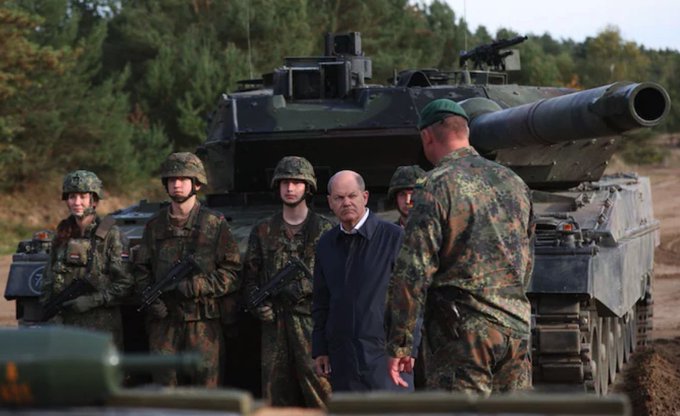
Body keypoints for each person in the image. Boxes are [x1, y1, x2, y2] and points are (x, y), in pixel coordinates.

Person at [386, 98, 534, 395]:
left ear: (427, 136)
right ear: (465, 132)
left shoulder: (434, 185)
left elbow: (413, 269)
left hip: (463, 336)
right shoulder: (514, 181)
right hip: (516, 327)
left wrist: (400, 343)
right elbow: (527, 257)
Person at [134, 152, 241, 387]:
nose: (177, 184)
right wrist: (153, 302)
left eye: (183, 179)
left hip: (203, 322)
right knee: (165, 392)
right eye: (172, 179)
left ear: (197, 184)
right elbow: (141, 270)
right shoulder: (154, 226)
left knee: (207, 394)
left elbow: (233, 273)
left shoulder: (214, 224)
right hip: (164, 322)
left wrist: (196, 285)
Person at [243, 156, 333, 408]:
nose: (290, 188)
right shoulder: (262, 231)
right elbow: (250, 277)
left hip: (312, 325)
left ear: (308, 187)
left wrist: (303, 288)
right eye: (284, 182)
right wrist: (256, 304)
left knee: (322, 394)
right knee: (275, 397)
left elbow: (338, 282)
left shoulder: (324, 230)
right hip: (275, 325)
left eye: (296, 182)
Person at [312, 170, 413, 392]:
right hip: (343, 360)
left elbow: (412, 299)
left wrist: (405, 349)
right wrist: (320, 349)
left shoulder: (395, 238)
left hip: (386, 359)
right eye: (339, 198)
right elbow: (321, 301)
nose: (346, 202)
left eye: (352, 196)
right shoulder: (326, 245)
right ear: (330, 202)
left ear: (365, 197)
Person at [40, 170, 133, 349]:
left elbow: (125, 284)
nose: (77, 202)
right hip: (64, 327)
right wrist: (51, 312)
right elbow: (48, 280)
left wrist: (93, 301)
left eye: (83, 197)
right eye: (72, 197)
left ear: (94, 200)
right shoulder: (61, 236)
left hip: (100, 329)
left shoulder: (111, 236)